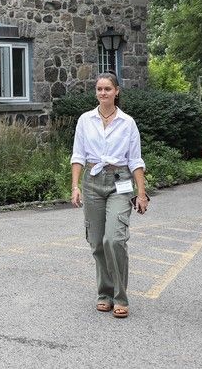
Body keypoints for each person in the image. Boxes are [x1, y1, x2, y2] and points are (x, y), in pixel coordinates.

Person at [70, 73, 149, 318]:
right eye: (99, 89)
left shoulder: (128, 122)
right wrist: (75, 186)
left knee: (114, 239)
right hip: (92, 182)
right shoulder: (85, 120)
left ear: (117, 92)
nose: (103, 93)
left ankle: (120, 296)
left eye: (107, 89)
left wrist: (142, 193)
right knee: (96, 242)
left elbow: (135, 160)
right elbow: (78, 155)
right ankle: (104, 293)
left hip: (120, 182)